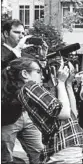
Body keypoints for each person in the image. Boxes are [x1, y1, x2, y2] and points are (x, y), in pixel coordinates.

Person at [2, 57, 83, 163]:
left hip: (68, 150)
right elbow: (64, 114)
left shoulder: (31, 90)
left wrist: (67, 84)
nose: (42, 76)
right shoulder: (29, 87)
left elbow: (72, 112)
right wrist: (60, 82)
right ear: (24, 74)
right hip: (64, 151)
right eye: (38, 72)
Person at [1, 20, 43, 164]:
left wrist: (42, 59)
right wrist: (16, 51)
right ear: (5, 34)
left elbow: (36, 77)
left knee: (39, 153)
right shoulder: (6, 53)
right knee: (5, 158)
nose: (21, 36)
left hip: (27, 112)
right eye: (17, 32)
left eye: (23, 33)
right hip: (6, 115)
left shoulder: (24, 54)